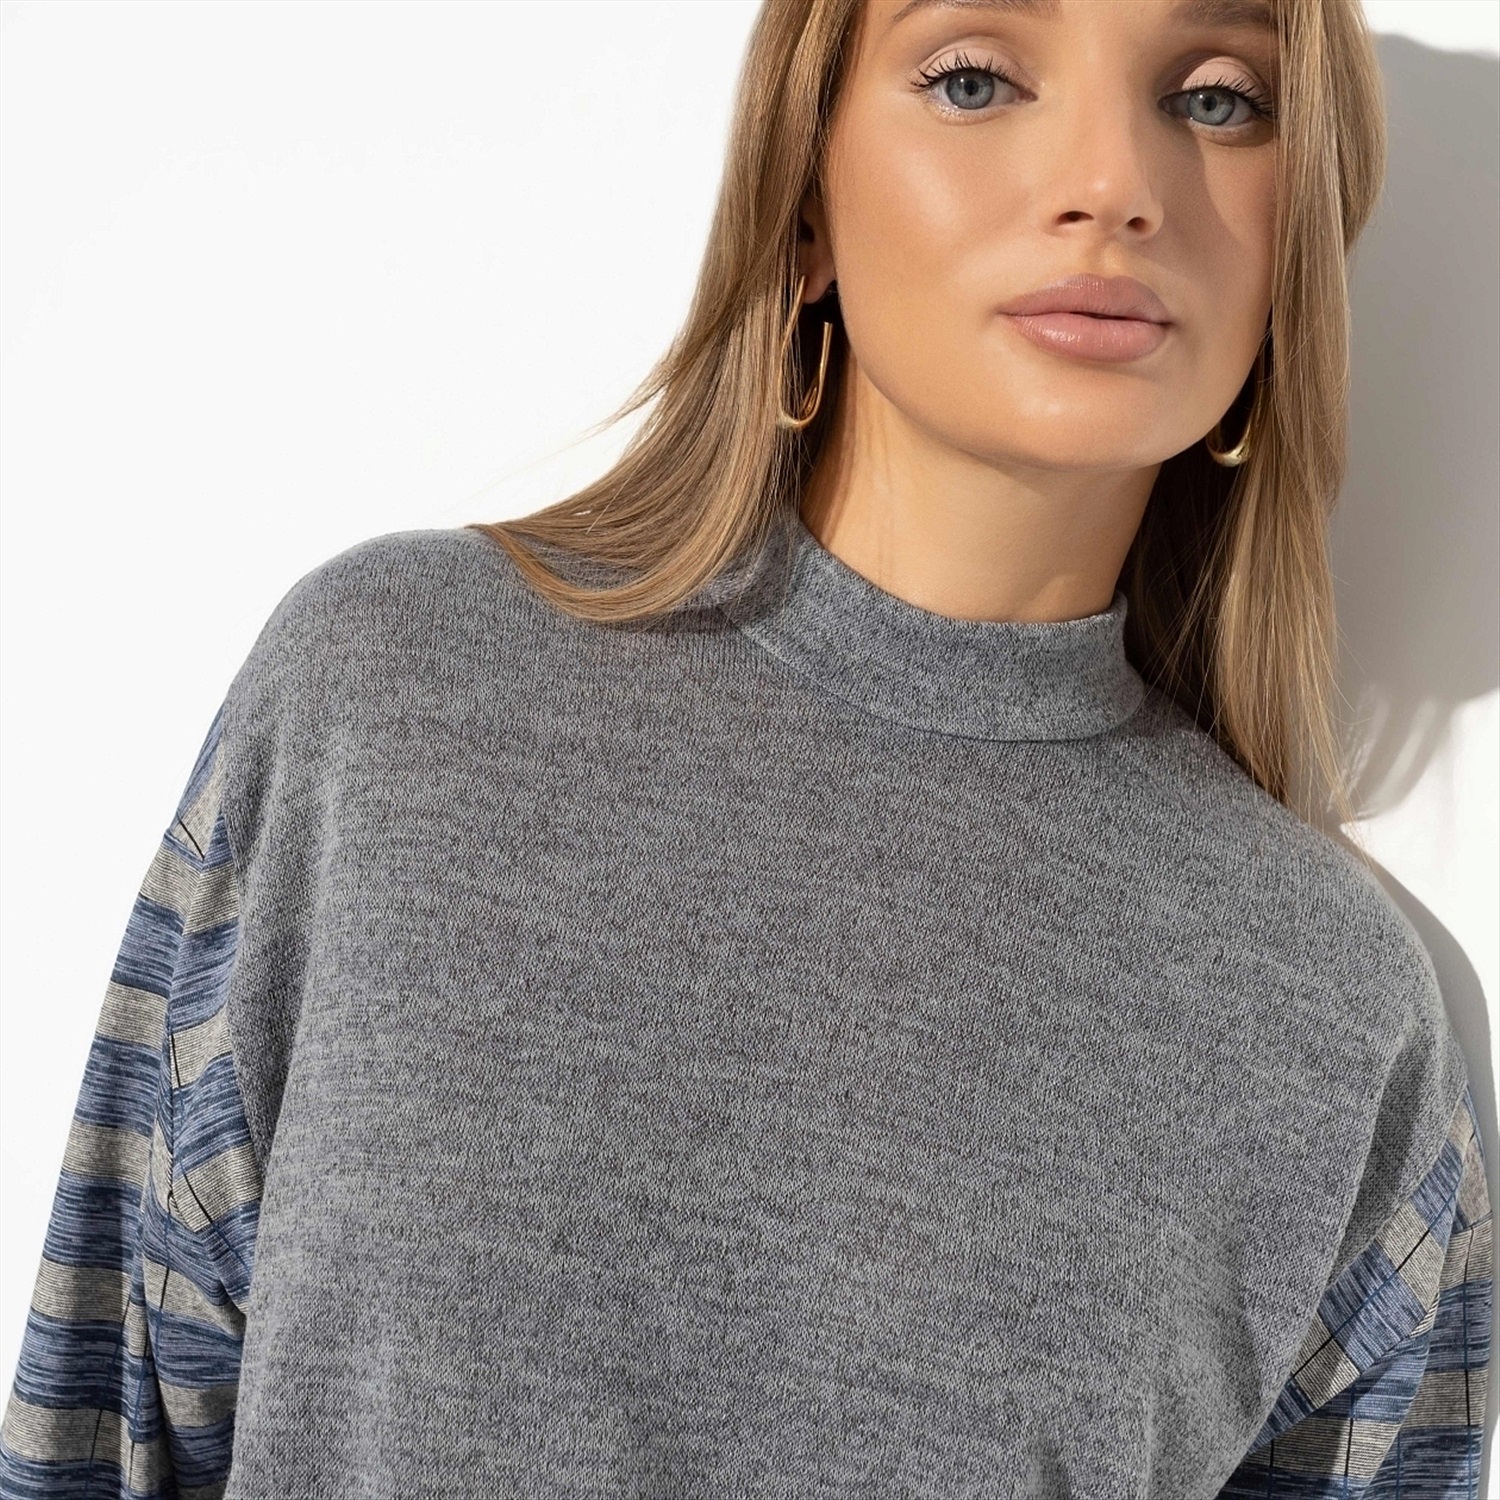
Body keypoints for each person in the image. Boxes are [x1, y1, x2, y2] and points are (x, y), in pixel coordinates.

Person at [1, 0, 1490, 1494]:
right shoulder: (390, 700)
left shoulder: (1332, 1012)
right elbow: (103, 1425)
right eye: (975, 79)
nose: (1115, 184)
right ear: (805, 202)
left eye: (1219, 99)